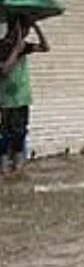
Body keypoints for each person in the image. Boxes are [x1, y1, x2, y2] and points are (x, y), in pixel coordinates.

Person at [0, 17, 49, 174]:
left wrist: (37, 28)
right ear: (16, 30)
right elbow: (4, 71)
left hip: (22, 98)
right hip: (7, 100)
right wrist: (16, 51)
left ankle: (17, 168)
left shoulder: (24, 46)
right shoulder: (3, 46)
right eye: (25, 29)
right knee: (6, 133)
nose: (27, 33)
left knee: (20, 133)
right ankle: (4, 166)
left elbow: (45, 47)